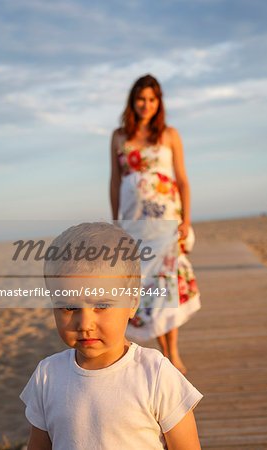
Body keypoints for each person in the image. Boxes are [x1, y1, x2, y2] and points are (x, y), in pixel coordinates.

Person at [20, 222, 202, 449]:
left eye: (102, 305)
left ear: (132, 303)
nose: (85, 324)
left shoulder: (155, 375)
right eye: (68, 307)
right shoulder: (47, 377)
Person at [110, 74, 201, 374]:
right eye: (140, 99)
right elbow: (115, 181)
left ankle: (171, 351)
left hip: (166, 221)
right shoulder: (119, 136)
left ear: (158, 102)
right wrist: (116, 222)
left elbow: (183, 180)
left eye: (151, 99)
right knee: (146, 287)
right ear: (132, 101)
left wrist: (186, 219)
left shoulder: (170, 135)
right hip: (134, 222)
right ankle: (163, 352)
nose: (145, 104)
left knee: (167, 284)